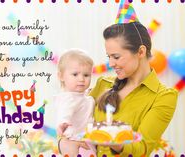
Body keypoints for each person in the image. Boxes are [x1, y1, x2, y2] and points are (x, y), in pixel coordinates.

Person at [58, 22, 178, 157]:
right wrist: (62, 143)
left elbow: (142, 149)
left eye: (116, 57)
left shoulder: (163, 96)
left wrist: (114, 140)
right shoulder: (103, 84)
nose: (111, 63)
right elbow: (74, 118)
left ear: (141, 51)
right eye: (108, 57)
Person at [54, 49, 96, 157]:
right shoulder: (69, 98)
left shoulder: (78, 95)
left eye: (86, 75)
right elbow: (65, 111)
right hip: (78, 143)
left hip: (85, 140)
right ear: (61, 76)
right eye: (75, 74)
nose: (81, 79)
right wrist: (63, 123)